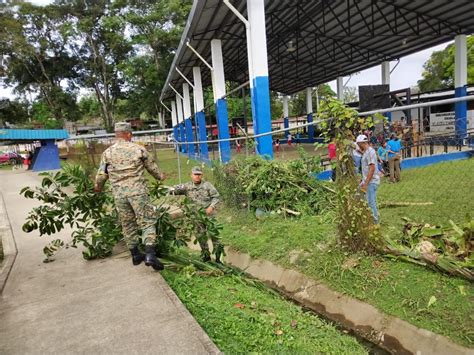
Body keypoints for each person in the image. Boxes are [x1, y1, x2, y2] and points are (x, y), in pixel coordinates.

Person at [94, 122, 165, 271]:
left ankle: (135, 254)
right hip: (138, 193)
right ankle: (150, 255)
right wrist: (160, 177)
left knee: (127, 224)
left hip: (119, 195)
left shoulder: (107, 153)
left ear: (116, 135)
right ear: (129, 134)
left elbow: (101, 176)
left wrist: (98, 188)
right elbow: (153, 169)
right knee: (147, 222)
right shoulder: (139, 149)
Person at [171, 166, 222, 263]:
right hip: (196, 217)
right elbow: (174, 189)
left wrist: (211, 207)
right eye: (195, 174)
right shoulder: (187, 186)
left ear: (201, 175)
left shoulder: (207, 185)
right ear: (191, 175)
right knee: (200, 236)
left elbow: (216, 197)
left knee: (215, 236)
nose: (197, 176)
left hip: (209, 215)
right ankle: (206, 257)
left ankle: (218, 258)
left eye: (199, 174)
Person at [356, 134, 380, 224]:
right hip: (366, 180)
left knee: (371, 202)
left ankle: (375, 223)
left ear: (362, 143)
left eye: (359, 144)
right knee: (358, 196)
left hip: (371, 181)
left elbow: (372, 168)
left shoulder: (370, 152)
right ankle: (365, 218)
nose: (358, 146)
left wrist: (366, 184)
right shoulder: (367, 152)